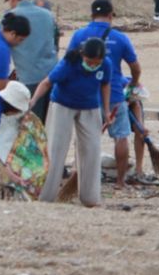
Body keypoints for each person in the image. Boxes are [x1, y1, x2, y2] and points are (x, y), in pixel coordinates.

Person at [70, 0, 144, 188]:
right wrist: (133, 85)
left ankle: (82, 179)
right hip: (115, 95)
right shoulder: (120, 38)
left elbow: (69, 63)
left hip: (86, 95)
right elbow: (135, 67)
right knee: (120, 136)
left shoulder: (79, 35)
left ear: (91, 15)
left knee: (84, 138)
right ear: (111, 15)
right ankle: (120, 181)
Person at [33, 36, 113, 207]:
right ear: (82, 55)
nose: (92, 66)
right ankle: (45, 197)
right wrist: (33, 101)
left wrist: (106, 111)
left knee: (92, 150)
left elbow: (105, 85)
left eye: (96, 63)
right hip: (63, 105)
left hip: (90, 106)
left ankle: (90, 198)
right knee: (56, 148)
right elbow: (47, 83)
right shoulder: (69, 64)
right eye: (89, 61)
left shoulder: (106, 64)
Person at [3, 0, 59, 121]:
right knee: (50, 126)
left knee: (32, 125)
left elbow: (3, 46)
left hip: (29, 79)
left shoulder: (10, 17)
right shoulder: (48, 15)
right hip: (53, 76)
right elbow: (56, 42)